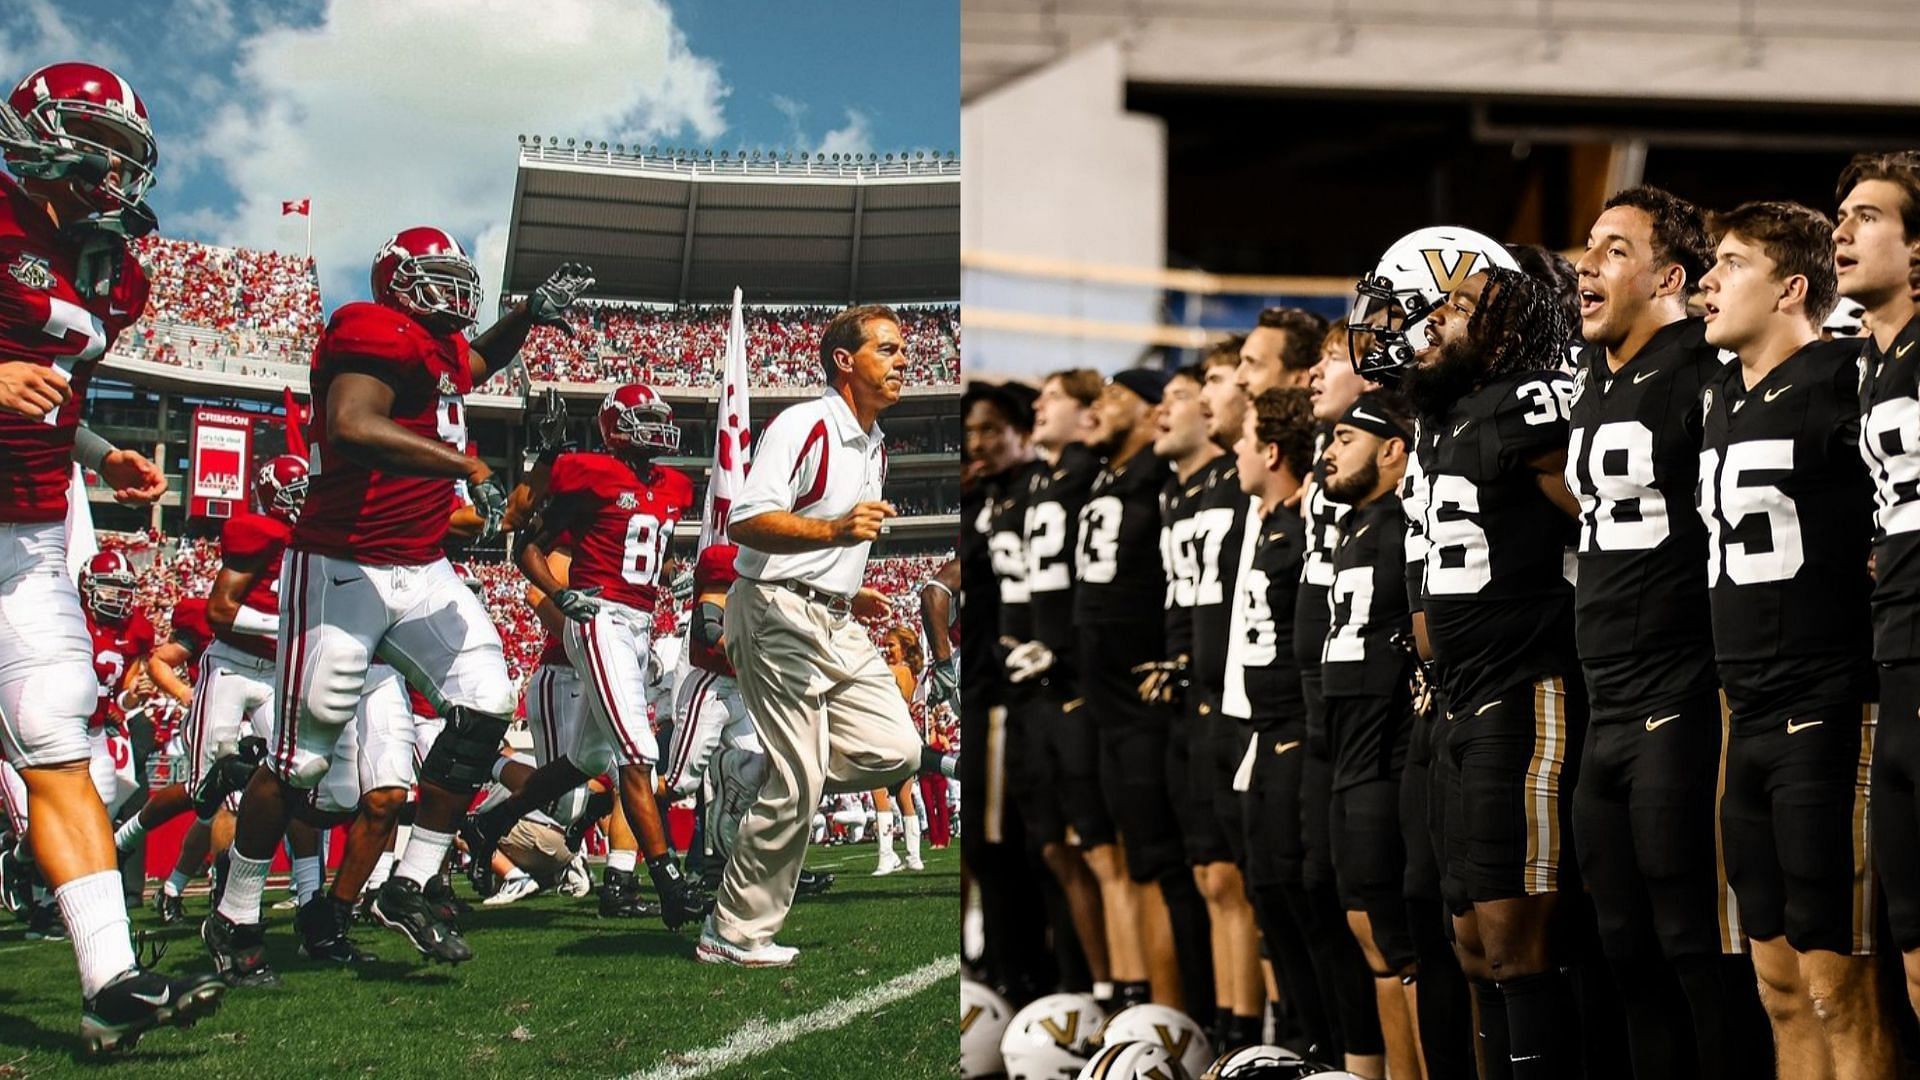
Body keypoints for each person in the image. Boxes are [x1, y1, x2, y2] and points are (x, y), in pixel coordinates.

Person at [200, 231, 592, 982]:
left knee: (484, 702)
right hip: (344, 565)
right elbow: (351, 423)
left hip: (421, 565)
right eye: (435, 280)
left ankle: (412, 882)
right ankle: (235, 913)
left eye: (458, 280)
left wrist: (525, 317)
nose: (452, 294)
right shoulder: (369, 327)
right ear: (396, 285)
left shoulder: (437, 352)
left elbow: (473, 363)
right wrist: (466, 463)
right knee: (299, 759)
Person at [0, 60, 226, 1052]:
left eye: (123, 154)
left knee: (55, 736)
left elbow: (54, 382)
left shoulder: (115, 269)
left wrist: (100, 450)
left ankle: (111, 980)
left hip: (30, 523)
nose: (110, 172)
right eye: (92, 142)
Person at [1563, 185, 1770, 1079]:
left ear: (1668, 277)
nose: (1587, 265)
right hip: (1605, 692)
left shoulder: (1702, 366)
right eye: (1589, 246)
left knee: (1694, 940)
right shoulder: (1597, 380)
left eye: (1614, 250)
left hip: (1685, 689)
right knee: (1621, 942)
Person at [1697, 201, 1890, 1075]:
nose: (1708, 281)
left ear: (1791, 289)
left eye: (1730, 264)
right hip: (1746, 708)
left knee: (1838, 984)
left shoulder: (1846, 372)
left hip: (1829, 700)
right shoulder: (1720, 397)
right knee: (1776, 982)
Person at [699, 304, 932, 967]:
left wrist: (846, 582)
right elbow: (746, 519)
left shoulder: (875, 443)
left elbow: (824, 531)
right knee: (800, 781)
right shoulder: (803, 424)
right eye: (886, 349)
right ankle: (732, 933)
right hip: (774, 610)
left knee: (899, 749)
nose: (902, 361)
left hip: (832, 614)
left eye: (902, 350)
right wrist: (832, 535)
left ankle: (751, 772)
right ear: (843, 361)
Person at [1401, 264, 1583, 1079]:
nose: (1439, 319)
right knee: (1470, 942)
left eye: (1462, 306)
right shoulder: (1443, 417)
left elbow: (1610, 517)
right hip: (1454, 697)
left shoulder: (1530, 402)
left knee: (1516, 941)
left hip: (1522, 680)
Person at [1839, 152, 1920, 1026]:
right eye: (1842, 213)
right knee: (1912, 943)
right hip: (1892, 654)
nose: (1843, 230)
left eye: (1868, 215)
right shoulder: (1866, 363)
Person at [1317, 391, 1419, 1080]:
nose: (1328, 450)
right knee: (1368, 935)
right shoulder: (1353, 525)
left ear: (1393, 450)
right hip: (1350, 747)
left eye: (1346, 437)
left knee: (1402, 944)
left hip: (1390, 748)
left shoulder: (1407, 521)